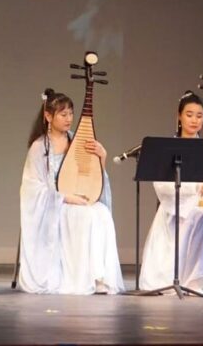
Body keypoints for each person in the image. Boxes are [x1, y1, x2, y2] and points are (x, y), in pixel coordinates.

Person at [138, 90, 203, 296]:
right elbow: (161, 186)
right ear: (179, 116)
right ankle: (194, 280)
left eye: (199, 116)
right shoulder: (170, 146)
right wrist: (196, 189)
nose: (194, 120)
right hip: (178, 211)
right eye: (189, 114)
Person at [17, 88, 124, 295]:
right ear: (48, 116)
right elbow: (32, 188)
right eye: (63, 114)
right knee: (85, 215)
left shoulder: (78, 141)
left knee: (101, 213)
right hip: (57, 205)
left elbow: (93, 176)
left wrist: (102, 156)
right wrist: (65, 197)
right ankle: (79, 277)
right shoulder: (40, 148)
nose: (69, 119)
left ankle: (99, 277)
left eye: (71, 114)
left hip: (79, 198)